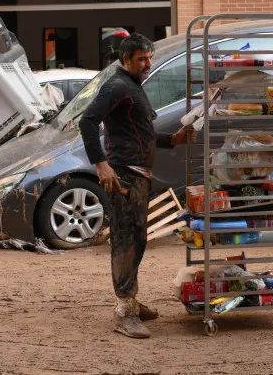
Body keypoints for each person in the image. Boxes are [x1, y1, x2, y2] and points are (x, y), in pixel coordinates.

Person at [78, 33, 194, 339]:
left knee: (138, 239)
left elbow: (138, 132)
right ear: (125, 60)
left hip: (138, 174)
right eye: (142, 59)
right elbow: (87, 121)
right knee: (126, 241)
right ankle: (124, 311)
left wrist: (173, 139)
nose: (148, 64)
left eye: (149, 58)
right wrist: (100, 164)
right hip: (123, 175)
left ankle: (130, 299)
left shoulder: (132, 88)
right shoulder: (117, 86)